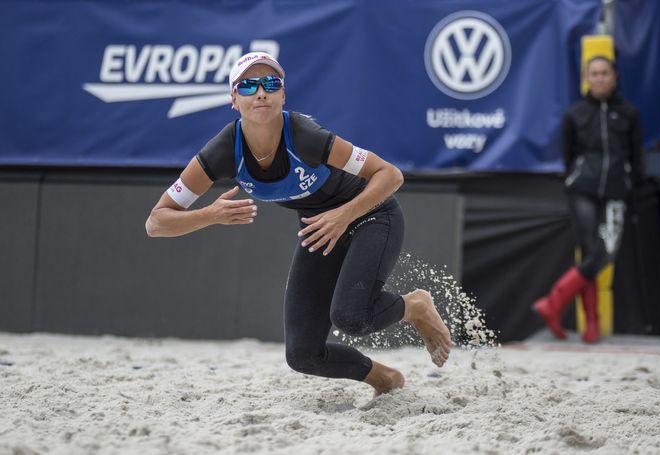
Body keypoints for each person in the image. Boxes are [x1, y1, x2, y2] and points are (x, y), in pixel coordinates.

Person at [145, 52, 452, 395]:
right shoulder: (222, 152)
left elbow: (390, 175)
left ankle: (416, 306)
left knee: (351, 318)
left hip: (372, 215)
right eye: (248, 85)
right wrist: (209, 215)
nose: (260, 92)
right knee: (303, 355)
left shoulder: (305, 135)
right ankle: (385, 380)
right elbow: (156, 222)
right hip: (321, 229)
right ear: (234, 99)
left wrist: (343, 214)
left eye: (270, 84)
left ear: (282, 95)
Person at [533, 55, 644, 343]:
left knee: (601, 255)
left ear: (614, 76)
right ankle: (591, 325)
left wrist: (632, 185)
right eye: (594, 73)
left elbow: (636, 156)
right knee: (591, 251)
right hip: (582, 189)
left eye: (604, 73)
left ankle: (553, 303)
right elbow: (569, 155)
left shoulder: (629, 113)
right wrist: (576, 177)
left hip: (616, 192)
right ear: (587, 77)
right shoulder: (576, 113)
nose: (599, 78)